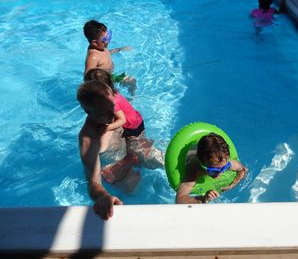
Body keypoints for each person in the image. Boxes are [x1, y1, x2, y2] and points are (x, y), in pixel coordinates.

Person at [78, 70, 163, 219]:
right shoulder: (89, 140)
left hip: (129, 149)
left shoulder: (111, 114)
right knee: (138, 192)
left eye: (113, 107)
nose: (113, 115)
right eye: (105, 112)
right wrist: (102, 196)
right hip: (116, 170)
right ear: (87, 111)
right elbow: (93, 181)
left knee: (161, 159)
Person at [176, 133, 247, 204]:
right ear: (203, 164)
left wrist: (231, 185)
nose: (220, 173)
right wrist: (203, 199)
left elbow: (243, 170)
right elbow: (180, 199)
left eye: (224, 168)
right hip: (190, 156)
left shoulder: (224, 161)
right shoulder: (195, 169)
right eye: (214, 170)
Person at [83, 20, 136, 95]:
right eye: (105, 39)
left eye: (109, 36)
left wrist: (119, 49)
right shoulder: (93, 57)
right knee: (117, 93)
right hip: (106, 81)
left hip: (111, 76)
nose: (108, 41)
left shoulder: (101, 46)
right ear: (94, 42)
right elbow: (87, 76)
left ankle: (132, 96)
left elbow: (107, 52)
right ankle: (130, 98)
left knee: (132, 81)